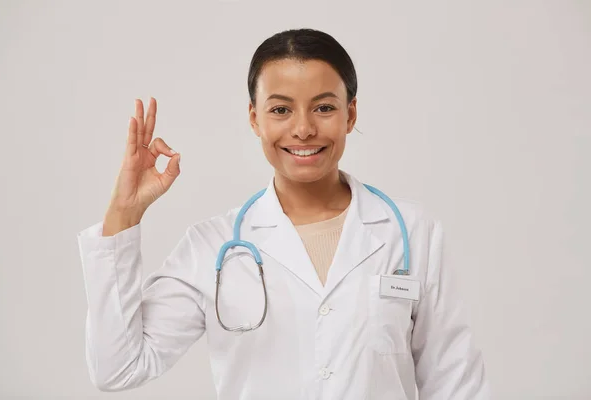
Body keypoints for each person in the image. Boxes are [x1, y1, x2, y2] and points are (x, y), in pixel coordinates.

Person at [77, 28, 490, 399]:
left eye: (324, 108)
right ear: (255, 119)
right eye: (280, 110)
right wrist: (123, 214)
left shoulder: (412, 233)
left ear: (351, 114)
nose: (304, 129)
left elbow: (454, 383)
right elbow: (119, 368)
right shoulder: (212, 246)